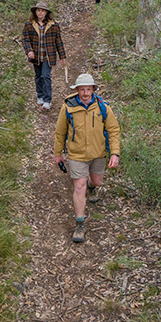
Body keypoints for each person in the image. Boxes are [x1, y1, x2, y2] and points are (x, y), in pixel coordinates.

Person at [53, 73, 121, 243]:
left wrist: (115, 153)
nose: (85, 93)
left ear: (93, 90)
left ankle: (93, 187)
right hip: (77, 155)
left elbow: (113, 130)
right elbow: (60, 132)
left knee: (97, 182)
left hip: (98, 153)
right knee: (79, 185)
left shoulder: (102, 107)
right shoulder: (68, 107)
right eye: (82, 89)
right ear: (76, 90)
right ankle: (80, 223)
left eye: (88, 89)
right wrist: (57, 153)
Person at [22, 1, 66, 111]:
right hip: (36, 56)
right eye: (38, 10)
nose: (40, 13)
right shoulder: (29, 25)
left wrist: (62, 56)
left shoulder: (53, 25)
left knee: (45, 76)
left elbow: (58, 41)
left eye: (42, 11)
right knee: (38, 76)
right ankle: (40, 95)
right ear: (35, 12)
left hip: (48, 56)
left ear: (46, 12)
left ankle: (47, 100)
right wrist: (29, 51)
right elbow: (25, 39)